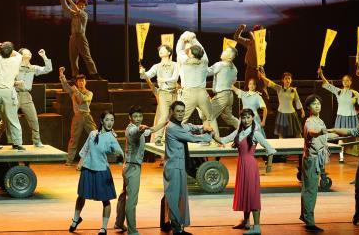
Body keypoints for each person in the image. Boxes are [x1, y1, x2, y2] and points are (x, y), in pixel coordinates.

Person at [213, 109, 276, 235]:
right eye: (243, 118)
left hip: (250, 166)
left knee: (252, 195)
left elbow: (270, 149)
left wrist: (269, 166)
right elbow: (223, 140)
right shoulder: (239, 132)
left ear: (253, 118)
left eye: (248, 117)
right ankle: (246, 222)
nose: (246, 120)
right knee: (245, 193)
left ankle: (257, 227)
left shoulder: (256, 133)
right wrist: (211, 133)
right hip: (242, 165)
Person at [114, 105, 167, 235]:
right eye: (135, 116)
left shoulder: (138, 127)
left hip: (128, 166)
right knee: (132, 200)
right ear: (130, 117)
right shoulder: (131, 130)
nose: (138, 118)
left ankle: (119, 223)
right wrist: (141, 129)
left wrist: (166, 122)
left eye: (140, 116)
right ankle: (132, 231)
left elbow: (152, 129)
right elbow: (137, 132)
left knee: (124, 195)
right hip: (132, 167)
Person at [69, 111, 124, 235]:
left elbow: (120, 154)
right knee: (81, 196)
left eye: (112, 120)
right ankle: (76, 219)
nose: (110, 123)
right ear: (101, 121)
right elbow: (85, 149)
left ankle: (103, 228)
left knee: (105, 200)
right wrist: (80, 163)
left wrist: (118, 157)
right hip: (87, 169)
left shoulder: (111, 137)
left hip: (102, 171)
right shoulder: (93, 133)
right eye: (107, 119)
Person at [164, 100, 214, 235]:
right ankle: (176, 229)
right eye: (178, 111)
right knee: (174, 198)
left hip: (179, 166)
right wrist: (208, 135)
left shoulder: (180, 125)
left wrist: (203, 127)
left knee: (180, 197)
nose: (180, 114)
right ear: (172, 112)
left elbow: (190, 127)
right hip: (174, 167)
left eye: (182, 111)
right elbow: (192, 138)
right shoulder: (172, 128)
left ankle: (176, 227)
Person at [0, 48, 52, 147]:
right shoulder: (14, 67)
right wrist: (16, 83)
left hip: (26, 96)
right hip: (14, 94)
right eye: (27, 52)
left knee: (33, 119)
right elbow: (5, 79)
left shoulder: (33, 68)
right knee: (6, 119)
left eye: (30, 52)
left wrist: (44, 56)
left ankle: (37, 141)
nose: (29, 53)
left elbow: (48, 69)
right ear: (20, 55)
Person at [300, 95, 338, 233]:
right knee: (310, 190)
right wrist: (320, 131)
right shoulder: (309, 121)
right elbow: (312, 132)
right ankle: (309, 221)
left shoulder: (320, 120)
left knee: (310, 189)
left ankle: (305, 216)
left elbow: (324, 135)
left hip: (318, 159)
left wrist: (338, 132)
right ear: (308, 107)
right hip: (312, 160)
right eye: (314, 104)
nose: (317, 106)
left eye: (318, 103)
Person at [318, 67, 359, 163]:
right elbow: (327, 85)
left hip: (352, 117)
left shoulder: (354, 93)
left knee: (356, 136)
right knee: (340, 137)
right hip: (341, 117)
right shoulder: (338, 91)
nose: (345, 82)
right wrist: (321, 75)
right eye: (343, 80)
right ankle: (341, 157)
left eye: (347, 80)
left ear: (350, 82)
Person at [139, 44, 179, 145]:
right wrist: (143, 73)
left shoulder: (175, 64)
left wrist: (163, 80)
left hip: (174, 93)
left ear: (169, 52)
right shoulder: (156, 66)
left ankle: (171, 137)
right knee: (164, 115)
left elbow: (175, 78)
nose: (160, 51)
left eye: (163, 49)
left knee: (174, 117)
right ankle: (158, 138)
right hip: (163, 93)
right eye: (160, 50)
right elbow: (146, 76)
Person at [61, 0, 104, 80]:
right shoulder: (74, 14)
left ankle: (95, 74)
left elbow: (77, 10)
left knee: (87, 57)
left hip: (81, 37)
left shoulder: (84, 15)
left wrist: (70, 0)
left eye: (82, 5)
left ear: (85, 7)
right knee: (73, 58)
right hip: (73, 37)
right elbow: (66, 8)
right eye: (79, 5)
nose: (81, 6)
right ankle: (75, 76)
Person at [59, 67, 97, 166]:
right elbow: (65, 85)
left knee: (95, 136)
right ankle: (69, 160)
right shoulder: (73, 91)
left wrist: (76, 91)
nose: (81, 83)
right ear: (77, 82)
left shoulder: (89, 93)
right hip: (77, 117)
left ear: (85, 82)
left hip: (87, 116)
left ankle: (98, 158)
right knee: (73, 139)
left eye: (82, 81)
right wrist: (62, 74)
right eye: (79, 81)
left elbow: (82, 99)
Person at [175, 33, 212, 126]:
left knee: (202, 116)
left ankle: (207, 130)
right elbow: (202, 50)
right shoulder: (202, 61)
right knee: (209, 117)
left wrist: (182, 38)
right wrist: (193, 38)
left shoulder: (186, 61)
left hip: (192, 92)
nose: (188, 50)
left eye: (190, 49)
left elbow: (179, 51)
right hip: (192, 92)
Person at [207, 46, 241, 140]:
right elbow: (234, 80)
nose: (223, 51)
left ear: (230, 56)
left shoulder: (220, 65)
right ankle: (247, 130)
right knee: (228, 117)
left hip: (222, 95)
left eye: (225, 51)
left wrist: (197, 66)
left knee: (210, 115)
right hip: (229, 95)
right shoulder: (234, 68)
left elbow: (206, 72)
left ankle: (217, 140)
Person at [259, 69, 304, 138]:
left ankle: (301, 144)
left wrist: (302, 110)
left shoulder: (293, 90)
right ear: (283, 80)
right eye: (286, 79)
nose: (287, 80)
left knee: (298, 133)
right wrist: (262, 77)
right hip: (282, 113)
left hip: (292, 114)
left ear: (291, 80)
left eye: (289, 79)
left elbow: (297, 100)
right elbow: (270, 83)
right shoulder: (279, 88)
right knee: (281, 133)